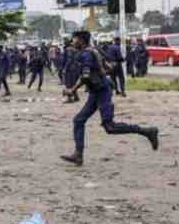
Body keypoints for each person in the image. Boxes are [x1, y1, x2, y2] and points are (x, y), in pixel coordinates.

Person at [60, 31, 159, 167]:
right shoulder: (93, 50)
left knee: (110, 127)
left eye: (75, 39)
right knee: (79, 120)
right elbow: (110, 65)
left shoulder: (87, 54)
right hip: (97, 91)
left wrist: (72, 90)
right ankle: (78, 155)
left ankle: (147, 131)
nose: (72, 41)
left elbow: (85, 76)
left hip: (102, 91)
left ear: (81, 40)